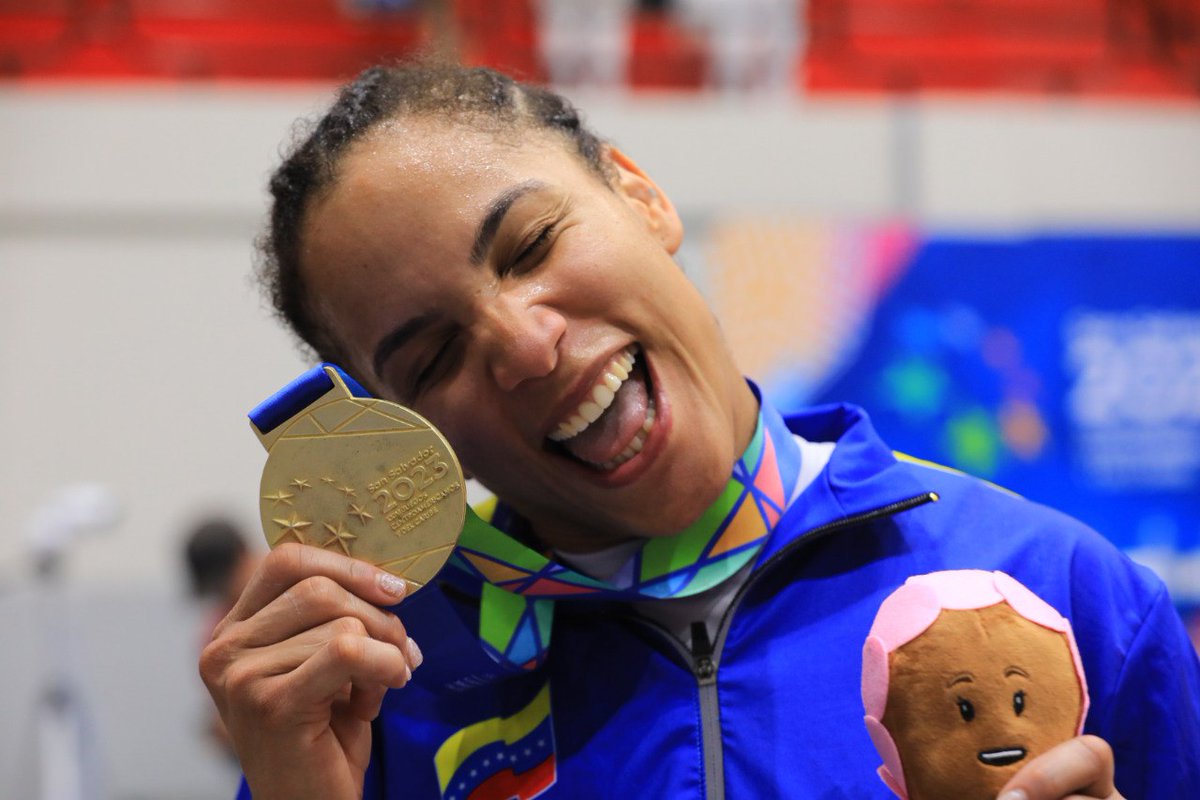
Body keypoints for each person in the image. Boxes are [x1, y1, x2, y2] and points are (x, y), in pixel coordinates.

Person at [200, 62, 1200, 799]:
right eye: (431, 359)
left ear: (641, 195)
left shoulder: (1063, 587)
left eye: (532, 243)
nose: (527, 345)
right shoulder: (382, 694)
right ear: (404, 431)